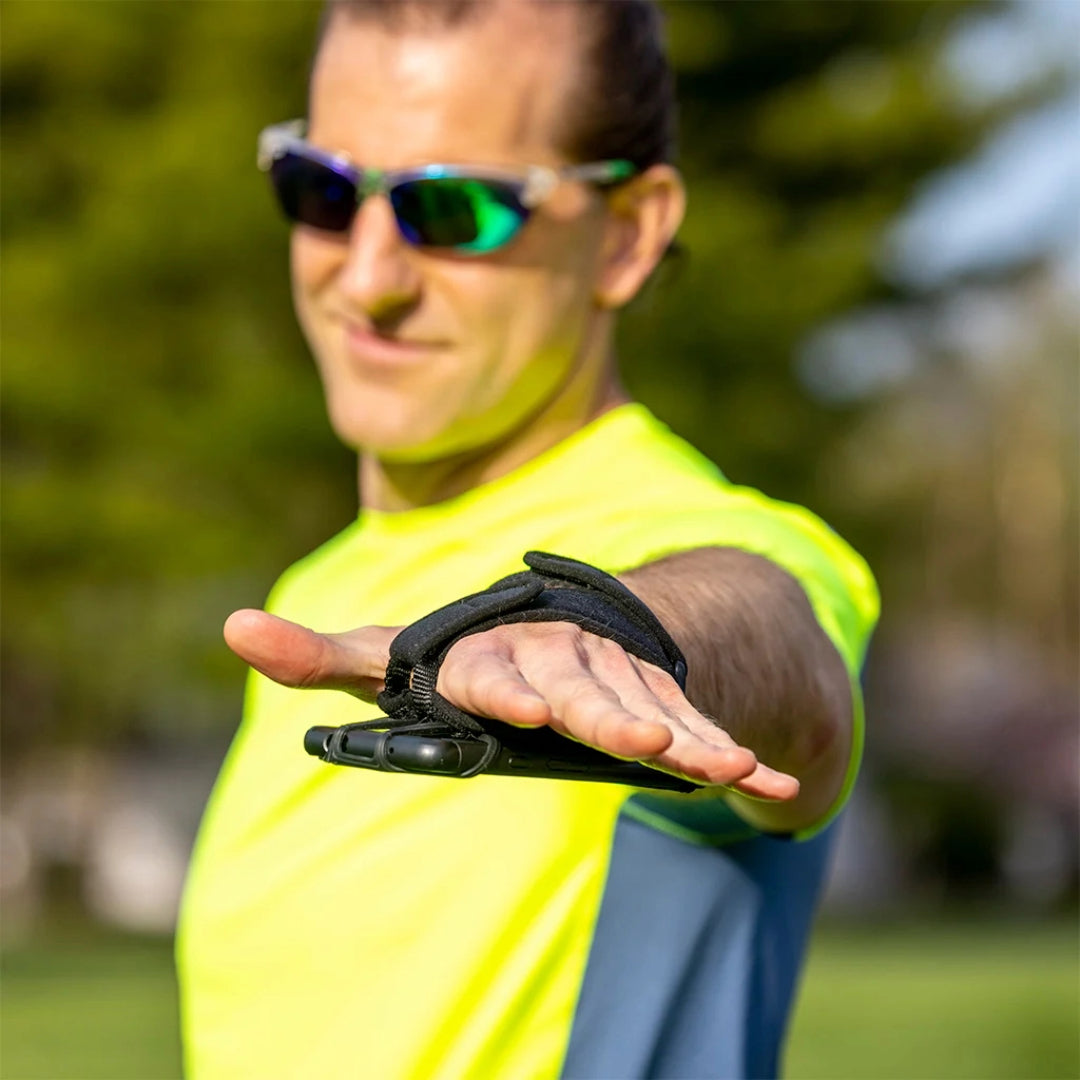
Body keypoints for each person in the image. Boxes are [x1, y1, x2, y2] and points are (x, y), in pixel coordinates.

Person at [176, 1, 878, 1077]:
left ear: (627, 234)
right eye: (323, 191)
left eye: (452, 209)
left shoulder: (693, 535)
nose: (367, 279)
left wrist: (612, 635)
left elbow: (783, 647)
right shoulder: (313, 592)